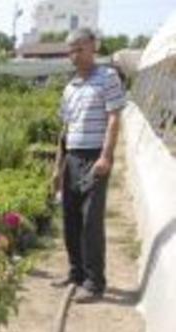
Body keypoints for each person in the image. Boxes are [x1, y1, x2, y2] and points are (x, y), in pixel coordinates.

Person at [51, 28, 126, 302]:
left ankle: (94, 283)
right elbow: (65, 129)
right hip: (72, 157)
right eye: (71, 50)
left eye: (80, 49)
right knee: (70, 217)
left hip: (95, 156)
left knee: (90, 220)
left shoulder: (108, 77)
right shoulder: (70, 87)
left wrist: (106, 156)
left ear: (94, 47)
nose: (75, 55)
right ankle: (76, 273)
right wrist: (57, 167)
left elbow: (114, 118)